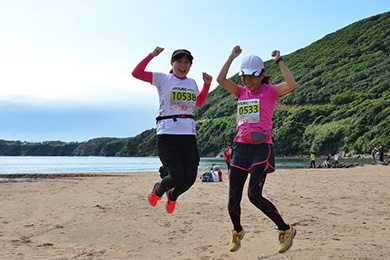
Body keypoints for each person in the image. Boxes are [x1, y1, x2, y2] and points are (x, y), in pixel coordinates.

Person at [217, 46, 297, 254]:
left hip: (262, 148)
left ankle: (285, 229)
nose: (247, 82)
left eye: (252, 78)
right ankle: (237, 231)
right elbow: (220, 80)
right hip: (240, 148)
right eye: (244, 77)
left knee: (254, 195)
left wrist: (279, 61)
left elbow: (291, 84)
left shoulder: (270, 91)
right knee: (233, 198)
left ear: (262, 75)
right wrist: (231, 57)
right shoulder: (241, 92)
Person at [132, 46, 212, 214]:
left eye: (187, 62)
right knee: (177, 177)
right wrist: (152, 55)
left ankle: (172, 196)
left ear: (190, 66)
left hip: (188, 136)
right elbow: (136, 73)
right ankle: (158, 190)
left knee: (189, 179)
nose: (183, 65)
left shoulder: (191, 82)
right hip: (167, 134)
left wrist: (206, 85)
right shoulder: (163, 79)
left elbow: (198, 103)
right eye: (179, 61)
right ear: (172, 63)